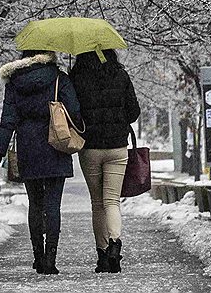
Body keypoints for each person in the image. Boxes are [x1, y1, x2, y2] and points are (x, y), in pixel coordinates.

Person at [0, 50, 82, 275]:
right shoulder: (59, 78)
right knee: (53, 205)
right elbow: (75, 111)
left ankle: (38, 257)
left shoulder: (14, 83)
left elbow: (8, 119)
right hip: (56, 144)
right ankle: (51, 258)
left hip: (28, 147)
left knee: (35, 203)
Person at [70, 49, 141, 273]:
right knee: (112, 201)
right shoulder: (120, 74)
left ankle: (102, 256)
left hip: (90, 148)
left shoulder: (77, 77)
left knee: (97, 203)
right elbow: (134, 111)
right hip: (118, 147)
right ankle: (115, 244)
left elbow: (72, 112)